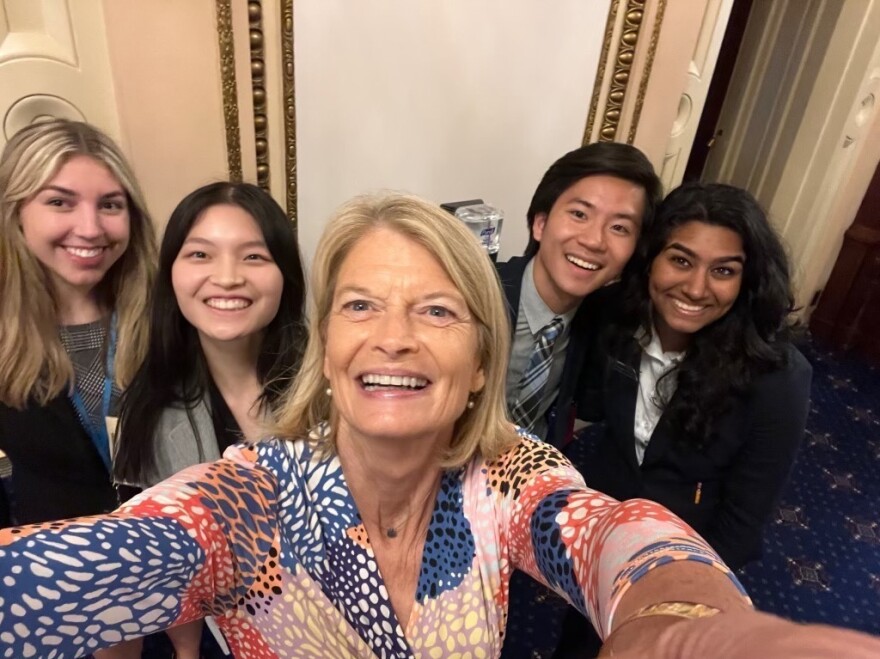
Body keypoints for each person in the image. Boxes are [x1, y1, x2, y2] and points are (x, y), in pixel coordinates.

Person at [2, 194, 877, 658]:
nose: (393, 334)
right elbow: (86, 569)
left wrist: (683, 620)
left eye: (436, 310)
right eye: (360, 305)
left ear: (480, 367)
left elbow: (615, 533)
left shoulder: (508, 475)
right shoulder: (247, 501)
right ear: (329, 348)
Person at [109, 182, 307, 658]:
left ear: (286, 276)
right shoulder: (146, 409)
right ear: (171, 273)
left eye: (254, 257)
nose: (227, 277)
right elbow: (159, 568)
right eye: (200, 254)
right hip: (226, 635)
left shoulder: (328, 388)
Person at [582, 182, 812, 570]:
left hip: (688, 551)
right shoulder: (613, 317)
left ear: (746, 281)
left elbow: (742, 524)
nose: (696, 288)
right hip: (601, 525)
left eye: (723, 270)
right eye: (681, 261)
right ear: (650, 258)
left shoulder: (778, 379)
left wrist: (681, 584)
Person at [0, 118, 156, 526]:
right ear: (16, 213)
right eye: (59, 202)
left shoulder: (170, 314)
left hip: (175, 562)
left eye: (110, 205)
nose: (90, 229)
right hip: (57, 568)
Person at [496, 142, 662, 449]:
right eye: (579, 214)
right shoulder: (478, 298)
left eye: (619, 227)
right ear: (540, 223)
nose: (594, 241)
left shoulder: (605, 320)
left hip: (534, 479)